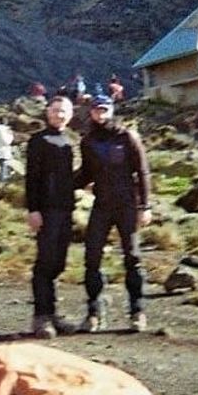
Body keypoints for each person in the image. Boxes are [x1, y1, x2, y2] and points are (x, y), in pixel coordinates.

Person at [75, 95, 152, 333]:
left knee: (132, 256)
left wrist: (145, 206)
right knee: (92, 256)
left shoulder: (127, 136)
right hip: (102, 205)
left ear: (111, 110)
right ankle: (94, 313)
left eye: (104, 109)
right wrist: (60, 184)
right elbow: (86, 174)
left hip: (127, 205)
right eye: (96, 110)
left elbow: (143, 172)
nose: (100, 114)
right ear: (91, 112)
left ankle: (137, 311)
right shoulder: (88, 141)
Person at [25, 96, 79, 339]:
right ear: (48, 112)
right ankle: (41, 317)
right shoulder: (38, 141)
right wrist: (33, 209)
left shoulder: (69, 140)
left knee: (58, 262)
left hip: (66, 208)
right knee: (45, 262)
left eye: (64, 111)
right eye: (56, 110)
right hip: (46, 210)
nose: (59, 115)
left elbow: (68, 177)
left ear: (71, 114)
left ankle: (53, 313)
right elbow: (31, 178)